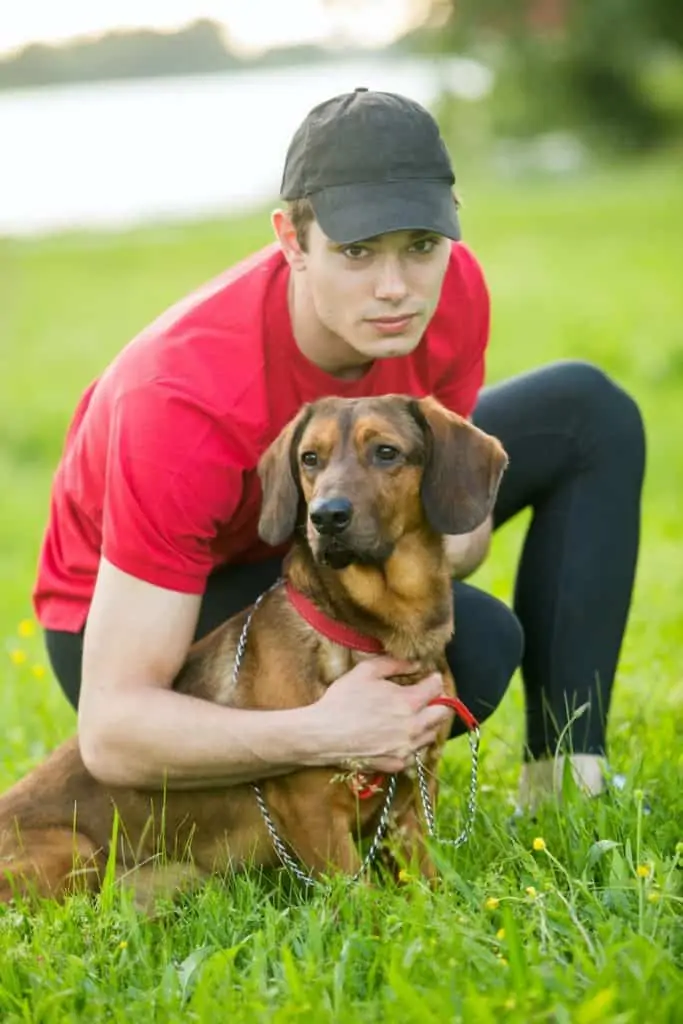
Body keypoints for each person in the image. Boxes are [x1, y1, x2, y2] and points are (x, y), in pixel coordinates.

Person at [32, 88, 645, 810]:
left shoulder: (447, 296)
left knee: (586, 410)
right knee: (475, 645)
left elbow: (458, 527)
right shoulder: (179, 398)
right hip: (144, 617)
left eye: (420, 246)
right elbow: (115, 732)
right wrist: (322, 731)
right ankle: (309, 783)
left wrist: (409, 533)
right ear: (291, 240)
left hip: (324, 525)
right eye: (355, 252)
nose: (395, 290)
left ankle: (566, 782)